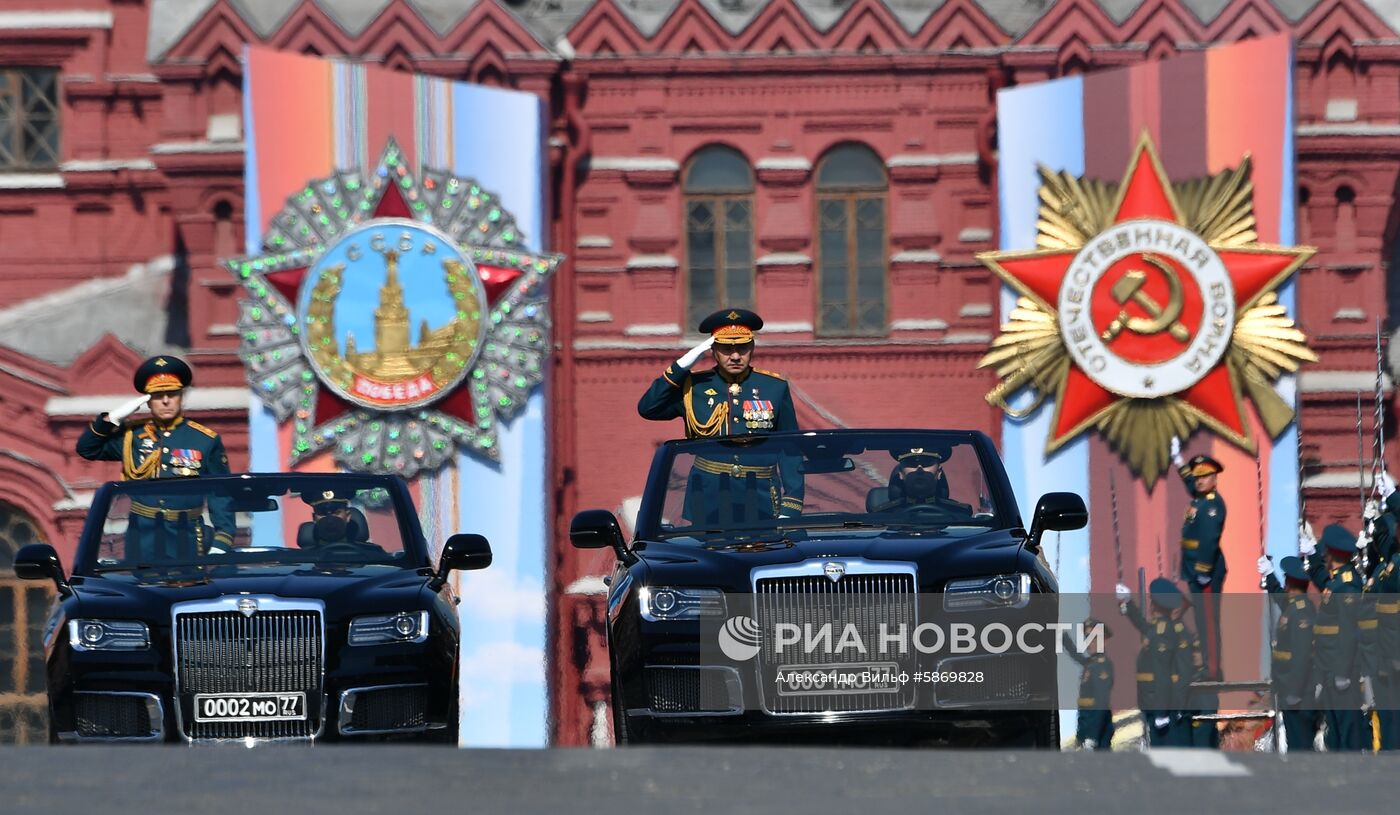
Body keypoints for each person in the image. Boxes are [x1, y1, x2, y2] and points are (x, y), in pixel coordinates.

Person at [638, 308, 803, 523]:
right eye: (726, 348)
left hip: (761, 496)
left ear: (752, 348)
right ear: (713, 350)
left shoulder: (774, 387)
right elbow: (648, 408)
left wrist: (791, 504)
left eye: (742, 348)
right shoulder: (693, 386)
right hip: (708, 497)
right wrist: (682, 366)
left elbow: (790, 449)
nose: (735, 356)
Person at [76, 355, 234, 559]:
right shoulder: (132, 436)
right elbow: (87, 449)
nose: (166, 400)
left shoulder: (204, 439)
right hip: (142, 536)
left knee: (188, 589)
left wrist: (223, 537)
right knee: (142, 588)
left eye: (172, 394)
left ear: (181, 397)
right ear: (148, 402)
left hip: (187, 535)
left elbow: (220, 492)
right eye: (158, 395)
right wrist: (110, 419)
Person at [1170, 438, 1226, 680]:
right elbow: (1190, 483)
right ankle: (1207, 666)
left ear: (1214, 477)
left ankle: (1212, 670)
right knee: (1202, 621)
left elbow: (1209, 539)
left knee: (1208, 622)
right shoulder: (1200, 497)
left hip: (1207, 571)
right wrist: (1179, 461)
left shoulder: (1213, 505)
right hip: (1194, 570)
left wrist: (1203, 569)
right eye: (1197, 476)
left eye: (1205, 476)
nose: (1199, 480)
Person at [1307, 523, 1365, 751]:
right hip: (1329, 668)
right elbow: (1326, 584)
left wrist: (1341, 671)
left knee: (1348, 729)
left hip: (1341, 670)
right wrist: (1311, 557)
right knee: (1335, 730)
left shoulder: (1348, 586)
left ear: (1331, 554)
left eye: (1324, 552)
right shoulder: (1338, 581)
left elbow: (1348, 632)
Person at [1116, 577, 1193, 747]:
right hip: (1154, 701)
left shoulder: (1162, 632)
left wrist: (1161, 712)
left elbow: (1162, 673)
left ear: (1154, 605)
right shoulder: (1159, 628)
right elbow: (1142, 625)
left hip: (1159, 703)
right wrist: (1128, 603)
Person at [1258, 552, 1318, 752]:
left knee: (1301, 748)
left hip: (1299, 694)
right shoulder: (1293, 606)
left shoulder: (1301, 611)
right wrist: (1269, 574)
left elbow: (1301, 657)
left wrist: (1294, 691)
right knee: (1295, 745)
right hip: (1289, 690)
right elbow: (1280, 596)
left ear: (1291, 583)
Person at [869, 446, 973, 517]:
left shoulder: (961, 514)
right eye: (912, 464)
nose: (919, 469)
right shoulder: (881, 516)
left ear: (939, 472)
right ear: (900, 473)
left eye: (927, 463)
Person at [1063, 617, 1114, 750]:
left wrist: (1092, 737)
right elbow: (1075, 654)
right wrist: (1062, 634)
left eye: (1094, 638)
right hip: (1086, 729)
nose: (1089, 642)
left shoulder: (1102, 666)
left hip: (1096, 733)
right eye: (1087, 638)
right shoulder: (1091, 664)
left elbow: (1101, 705)